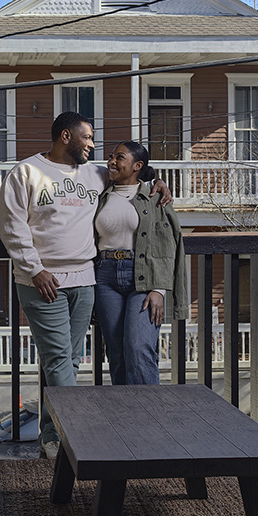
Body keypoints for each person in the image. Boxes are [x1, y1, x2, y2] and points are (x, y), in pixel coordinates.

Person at [0, 112, 172, 460]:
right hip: (43, 283)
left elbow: (135, 172)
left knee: (66, 362)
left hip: (86, 281)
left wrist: (159, 181)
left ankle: (52, 436)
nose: (93, 144)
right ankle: (77, 438)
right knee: (60, 361)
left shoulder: (94, 174)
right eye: (87, 137)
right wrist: (34, 270)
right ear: (66, 136)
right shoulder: (27, 172)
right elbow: (11, 226)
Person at [94, 141, 188, 386]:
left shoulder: (154, 197)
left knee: (139, 347)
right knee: (116, 352)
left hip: (143, 276)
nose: (112, 161)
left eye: (120, 157)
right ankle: (125, 417)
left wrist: (159, 289)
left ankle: (148, 418)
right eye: (112, 156)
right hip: (105, 276)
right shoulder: (101, 190)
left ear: (137, 165)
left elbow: (167, 244)